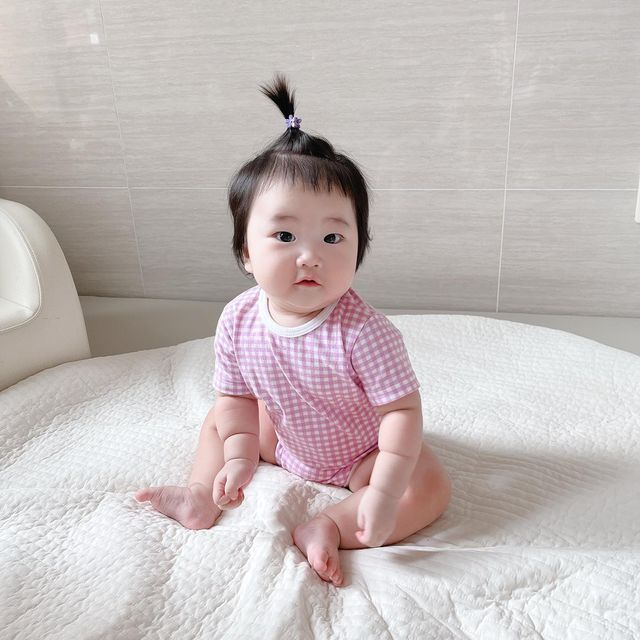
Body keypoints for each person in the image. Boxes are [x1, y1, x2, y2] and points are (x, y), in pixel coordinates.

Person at [135, 74, 451, 587]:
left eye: (332, 237)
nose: (310, 256)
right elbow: (237, 397)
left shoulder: (365, 332)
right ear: (246, 252)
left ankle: (329, 526)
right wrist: (241, 454)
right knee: (218, 418)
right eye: (284, 235)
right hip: (282, 438)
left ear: (359, 247)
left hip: (360, 453)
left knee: (428, 486)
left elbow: (401, 413)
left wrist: (386, 490)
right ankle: (199, 496)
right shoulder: (238, 318)